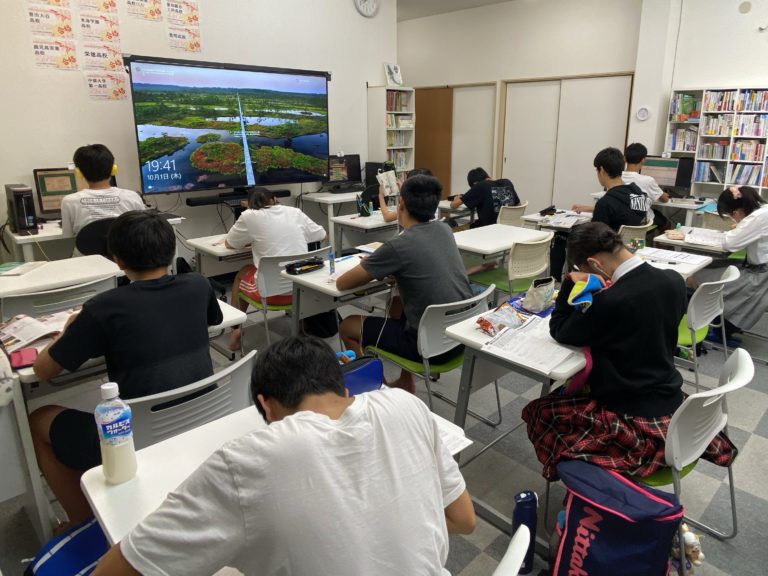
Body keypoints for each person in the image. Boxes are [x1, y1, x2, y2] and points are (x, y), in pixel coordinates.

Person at [91, 335, 475, 576]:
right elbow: (462, 519)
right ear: (340, 383)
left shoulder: (244, 464)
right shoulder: (406, 405)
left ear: (266, 406)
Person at [29, 211, 224, 528]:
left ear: (117, 260)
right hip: (201, 424)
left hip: (137, 442)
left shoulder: (103, 308)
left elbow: (43, 371)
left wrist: (70, 330)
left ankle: (80, 520)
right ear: (172, 250)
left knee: (38, 418)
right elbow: (214, 321)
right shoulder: (198, 285)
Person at [521, 221, 737, 480]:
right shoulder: (673, 281)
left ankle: (586, 487)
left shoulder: (610, 301)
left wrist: (569, 282)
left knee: (539, 411)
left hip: (631, 415)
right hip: (671, 399)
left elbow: (560, 329)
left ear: (595, 263)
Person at [337, 175, 473, 392]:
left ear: (401, 204)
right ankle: (405, 380)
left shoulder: (398, 245)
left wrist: (375, 266)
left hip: (428, 346)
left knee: (347, 326)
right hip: (460, 338)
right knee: (397, 306)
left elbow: (343, 284)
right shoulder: (445, 229)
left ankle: (376, 389)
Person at [224, 187, 326, 349]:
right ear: (275, 199)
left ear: (250, 204)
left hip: (271, 293)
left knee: (242, 272)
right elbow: (321, 235)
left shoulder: (249, 215)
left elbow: (230, 243)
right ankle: (300, 324)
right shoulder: (295, 212)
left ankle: (236, 330)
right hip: (304, 290)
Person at [715, 186, 768, 338]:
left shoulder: (756, 218)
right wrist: (741, 226)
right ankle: (724, 327)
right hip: (760, 268)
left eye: (731, 215)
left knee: (706, 276)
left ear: (737, 211)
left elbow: (729, 244)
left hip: (761, 273)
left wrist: (739, 227)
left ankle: (721, 329)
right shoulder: (763, 210)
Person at [62, 144, 146, 238]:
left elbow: (67, 238)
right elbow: (144, 232)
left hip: (88, 253)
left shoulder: (69, 202)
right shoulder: (132, 196)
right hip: (124, 252)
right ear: (113, 170)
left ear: (79, 173)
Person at [573, 147, 650, 231]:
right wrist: (593, 209)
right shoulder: (637, 192)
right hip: (634, 243)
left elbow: (596, 237)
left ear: (601, 170)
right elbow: (626, 211)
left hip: (611, 243)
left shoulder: (605, 203)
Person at [449, 167, 520, 228]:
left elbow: (453, 205)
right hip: (509, 228)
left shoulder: (480, 186)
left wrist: (456, 199)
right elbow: (518, 205)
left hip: (487, 229)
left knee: (466, 226)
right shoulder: (507, 182)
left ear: (475, 183)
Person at [622, 142, 670, 229]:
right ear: (643, 160)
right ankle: (657, 242)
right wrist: (663, 194)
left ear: (624, 158)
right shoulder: (648, 181)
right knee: (665, 222)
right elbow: (665, 200)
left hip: (622, 219)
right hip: (642, 220)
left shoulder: (615, 177)